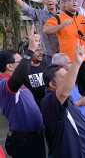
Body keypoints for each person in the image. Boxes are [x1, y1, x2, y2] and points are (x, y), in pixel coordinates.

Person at [41, 41, 85, 157]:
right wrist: (77, 62)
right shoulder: (49, 101)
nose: (68, 77)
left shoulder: (67, 90)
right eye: (63, 77)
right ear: (52, 84)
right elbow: (63, 94)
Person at [0, 26, 45, 157]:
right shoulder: (3, 84)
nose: (27, 62)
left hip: (34, 137)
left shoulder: (16, 81)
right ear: (9, 66)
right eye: (21, 61)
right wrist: (30, 50)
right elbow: (17, 79)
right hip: (24, 141)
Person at [43, 0, 85, 96]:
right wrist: (61, 25)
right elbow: (46, 30)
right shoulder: (58, 18)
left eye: (76, 0)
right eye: (71, 0)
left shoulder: (84, 18)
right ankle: (73, 105)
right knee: (70, 84)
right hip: (69, 60)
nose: (74, 2)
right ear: (63, 3)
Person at [5, 0, 60, 64]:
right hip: (49, 54)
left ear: (55, 0)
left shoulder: (63, 13)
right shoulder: (40, 13)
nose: (49, 0)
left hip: (65, 51)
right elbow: (26, 9)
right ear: (44, 2)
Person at [52, 53, 85, 118]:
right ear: (61, 66)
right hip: (75, 121)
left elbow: (75, 96)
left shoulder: (70, 79)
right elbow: (60, 106)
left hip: (82, 118)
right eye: (69, 63)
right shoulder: (58, 84)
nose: (72, 64)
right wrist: (80, 102)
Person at [23, 43, 48, 107]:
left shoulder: (47, 66)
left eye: (41, 50)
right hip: (35, 106)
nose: (40, 52)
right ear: (29, 52)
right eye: (36, 50)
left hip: (49, 104)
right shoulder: (24, 70)